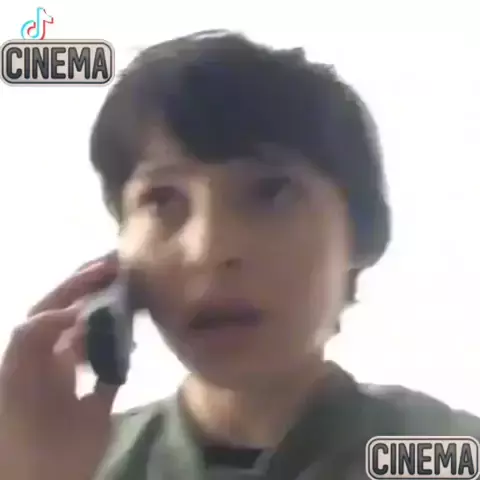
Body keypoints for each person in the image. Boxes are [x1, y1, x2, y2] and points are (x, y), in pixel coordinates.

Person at [0, 30, 478, 480]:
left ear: (360, 235)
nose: (210, 250)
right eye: (162, 200)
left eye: (271, 192)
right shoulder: (71, 464)